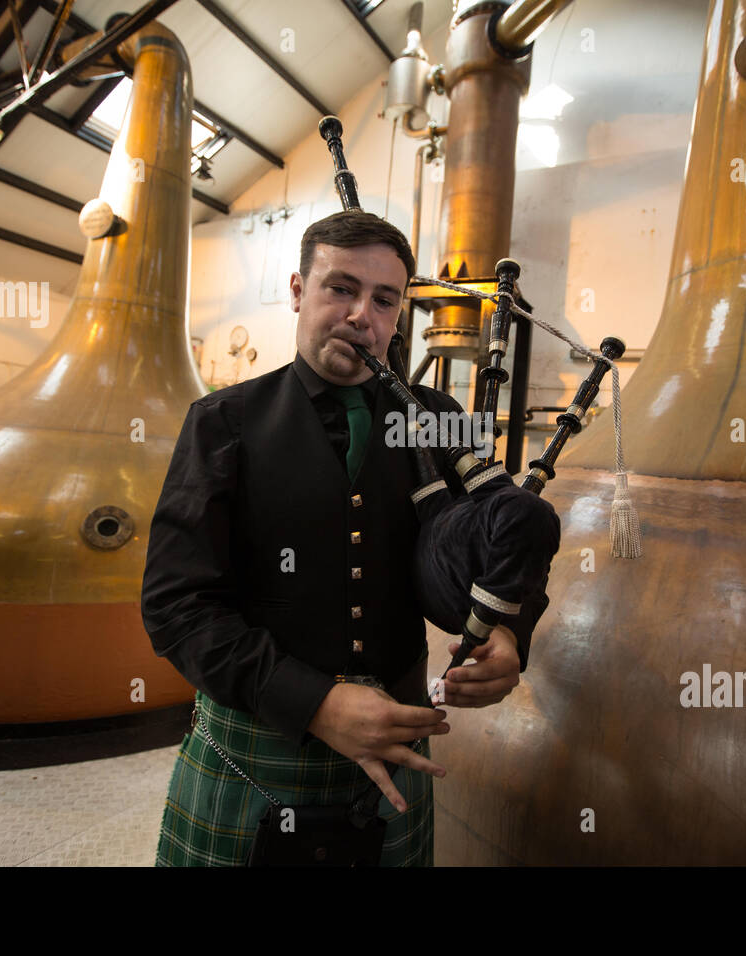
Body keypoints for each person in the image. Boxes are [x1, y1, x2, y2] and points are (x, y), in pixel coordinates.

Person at [142, 210, 547, 866]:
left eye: (384, 299)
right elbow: (175, 607)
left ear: (400, 312)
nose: (364, 314)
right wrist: (314, 703)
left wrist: (508, 631)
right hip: (260, 747)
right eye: (341, 288)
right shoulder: (224, 421)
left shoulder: (436, 421)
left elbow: (506, 546)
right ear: (299, 291)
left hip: (398, 756)